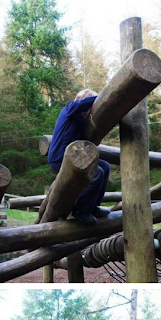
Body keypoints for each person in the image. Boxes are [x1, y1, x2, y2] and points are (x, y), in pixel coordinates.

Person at [47, 88, 111, 225]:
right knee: (96, 172)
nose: (88, 110)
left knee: (105, 167)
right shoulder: (69, 109)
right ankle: (80, 211)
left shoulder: (79, 119)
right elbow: (82, 103)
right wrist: (105, 96)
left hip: (73, 158)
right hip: (59, 159)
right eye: (88, 106)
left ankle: (93, 207)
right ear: (80, 98)